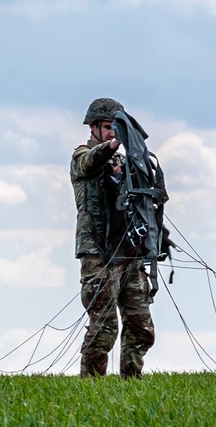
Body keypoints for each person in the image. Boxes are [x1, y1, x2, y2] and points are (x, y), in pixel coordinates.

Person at [70, 96, 168, 378]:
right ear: (94, 128)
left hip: (129, 251)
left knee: (141, 325)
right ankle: (92, 387)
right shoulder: (81, 155)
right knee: (104, 328)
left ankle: (132, 383)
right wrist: (113, 144)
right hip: (99, 253)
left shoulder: (125, 162)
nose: (113, 131)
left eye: (117, 127)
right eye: (108, 126)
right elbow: (90, 163)